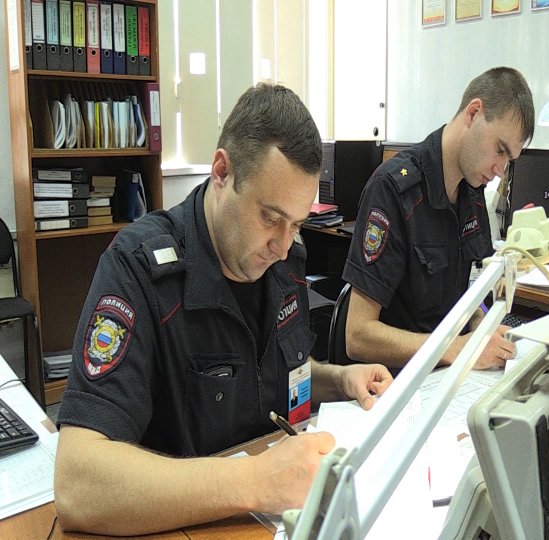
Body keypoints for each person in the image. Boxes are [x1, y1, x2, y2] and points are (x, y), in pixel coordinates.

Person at [54, 83, 393, 536]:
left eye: (296, 224)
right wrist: (257, 481)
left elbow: (272, 372)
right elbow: (77, 486)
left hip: (272, 521)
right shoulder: (138, 268)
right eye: (270, 217)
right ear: (221, 171)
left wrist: (337, 380)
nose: (283, 244)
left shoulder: (285, 259)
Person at [342, 67, 535, 372]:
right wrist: (456, 348)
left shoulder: (472, 191)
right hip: (398, 380)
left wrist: (483, 328)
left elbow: (471, 292)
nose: (500, 170)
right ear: (473, 113)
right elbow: (357, 336)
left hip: (451, 374)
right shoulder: (394, 189)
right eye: (500, 150)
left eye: (508, 160)